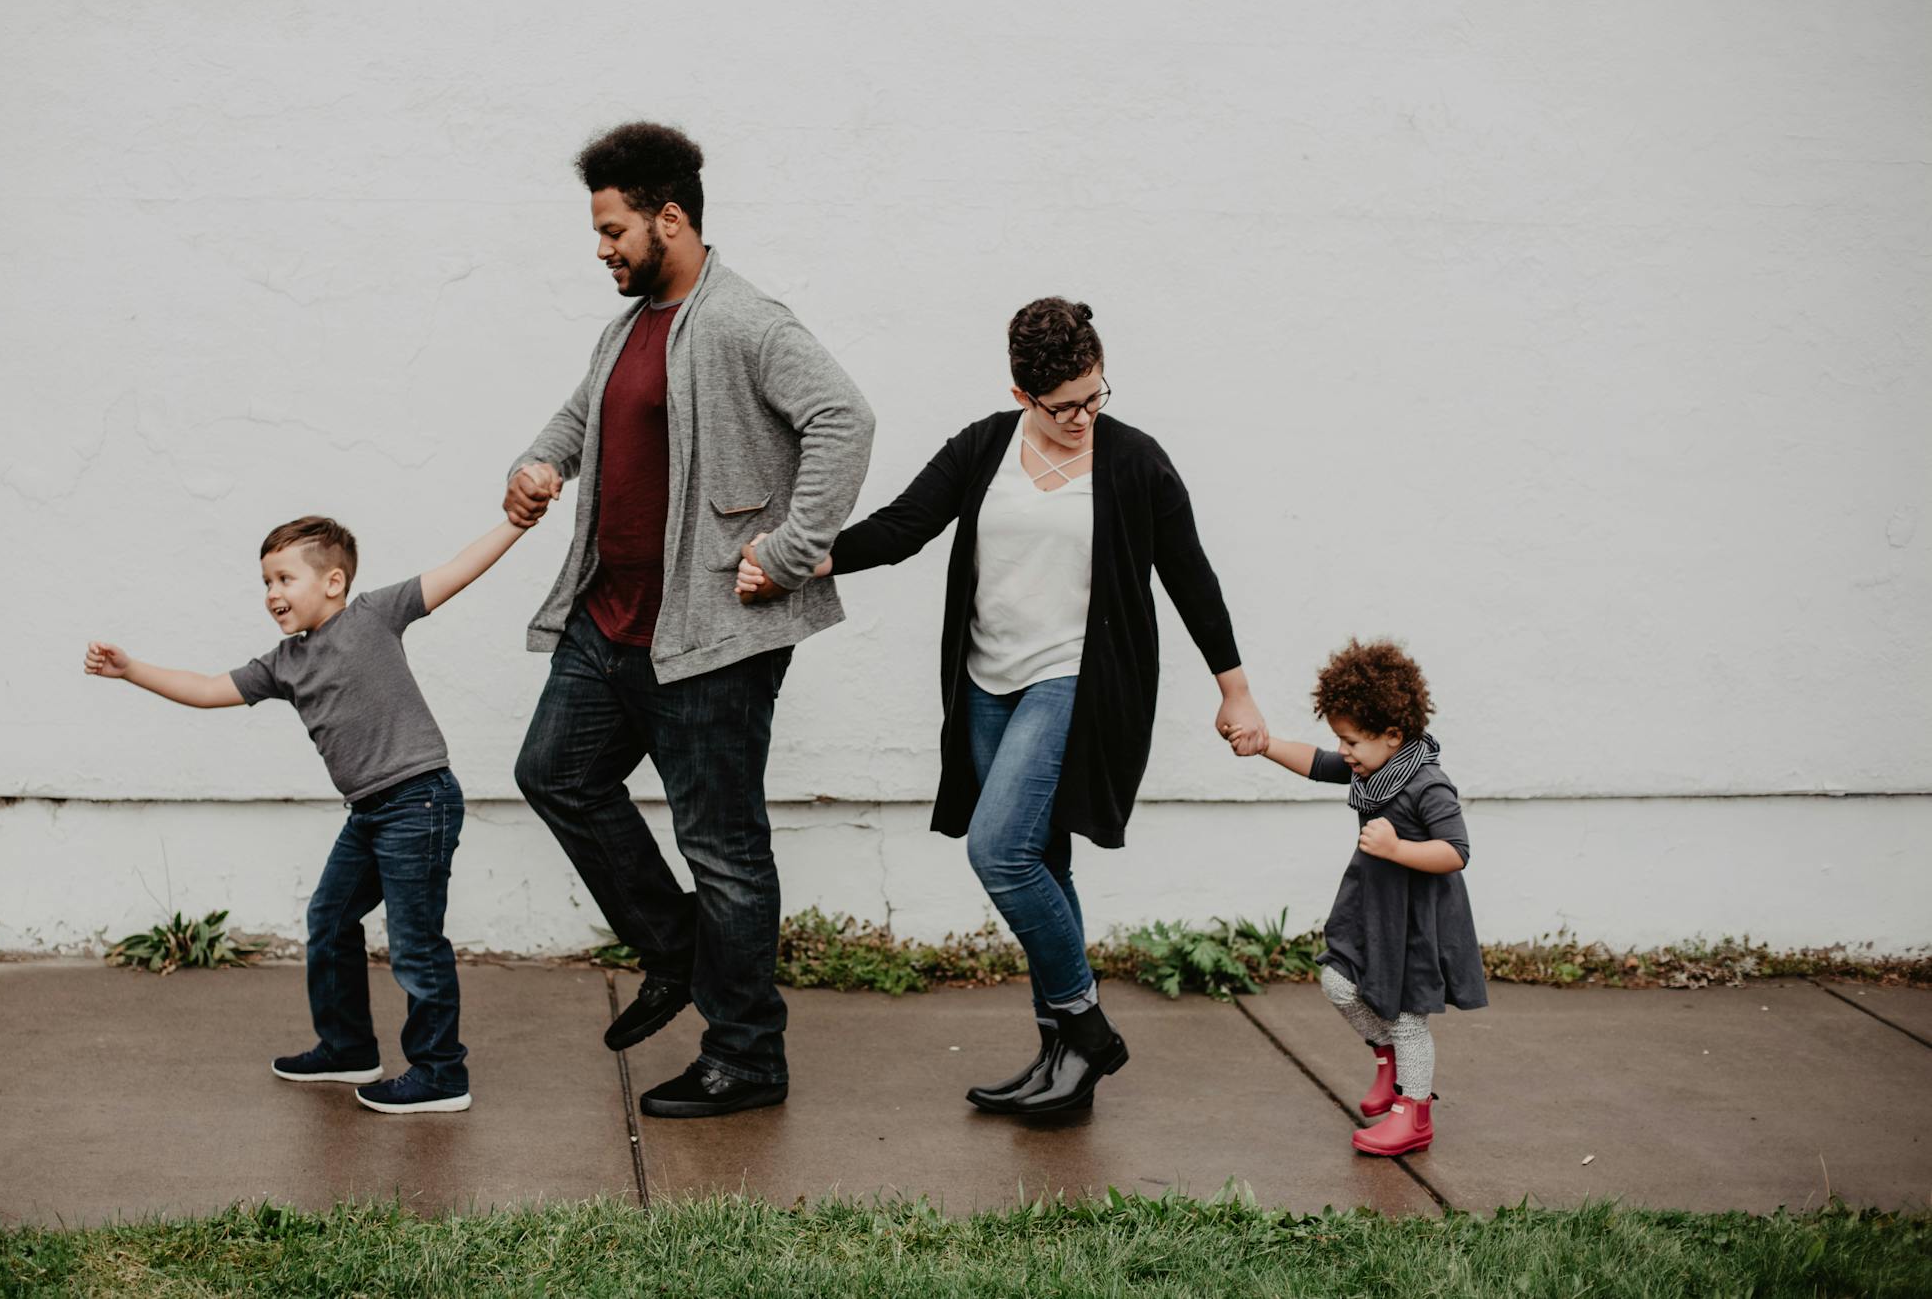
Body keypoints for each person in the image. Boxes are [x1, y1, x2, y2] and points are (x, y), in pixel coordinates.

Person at [738, 298, 1267, 1115]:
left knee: (1000, 853)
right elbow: (903, 527)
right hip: (986, 683)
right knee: (1042, 862)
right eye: (1064, 407)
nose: (1083, 417)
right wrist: (796, 561)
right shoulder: (986, 446)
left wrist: (1234, 689)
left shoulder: (1134, 462)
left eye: (1096, 397)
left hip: (1074, 681)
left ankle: (1087, 1030)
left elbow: (1190, 576)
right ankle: (1062, 1064)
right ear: (1023, 395)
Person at [506, 122, 873, 1119]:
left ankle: (748, 1054)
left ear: (670, 218)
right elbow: (583, 415)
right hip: (610, 623)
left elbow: (846, 419)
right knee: (555, 774)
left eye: (613, 228)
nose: (602, 247)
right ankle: (676, 953)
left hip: (709, 637)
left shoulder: (745, 322)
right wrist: (539, 464)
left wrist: (790, 551)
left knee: (723, 846)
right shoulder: (628, 326)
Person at [84, 513, 528, 1113]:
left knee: (415, 942)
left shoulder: (375, 614)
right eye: (265, 582)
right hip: (369, 812)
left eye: (285, 579)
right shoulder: (284, 663)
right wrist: (130, 670)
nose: (272, 594)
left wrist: (516, 523)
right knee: (330, 917)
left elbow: (457, 570)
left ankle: (441, 1072)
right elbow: (210, 687)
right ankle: (347, 1047)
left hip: (419, 801)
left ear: (333, 582)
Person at [1254, 637, 1486, 1156]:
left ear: (1393, 734)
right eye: (1341, 739)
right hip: (1373, 909)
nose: (1344, 751)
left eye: (1352, 741)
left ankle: (1414, 1112)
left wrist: (1398, 846)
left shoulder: (1428, 783)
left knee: (1407, 1016)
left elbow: (1456, 851)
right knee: (1338, 981)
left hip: (1416, 919)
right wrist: (1264, 744)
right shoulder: (1372, 767)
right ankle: (1388, 1059)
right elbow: (1316, 762)